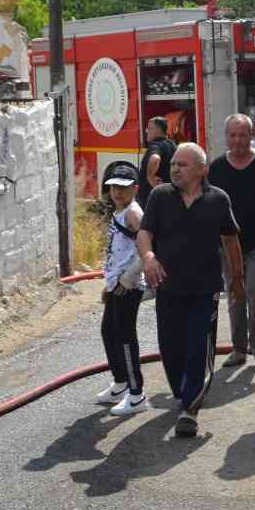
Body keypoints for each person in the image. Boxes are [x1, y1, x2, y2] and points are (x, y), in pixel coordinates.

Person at [137, 143, 246, 438]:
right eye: (173, 164)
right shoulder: (160, 196)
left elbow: (231, 241)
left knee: (199, 347)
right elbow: (145, 232)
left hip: (204, 289)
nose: (174, 169)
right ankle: (182, 392)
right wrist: (149, 257)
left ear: (202, 170)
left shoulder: (218, 199)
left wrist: (237, 280)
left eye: (182, 165)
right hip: (168, 288)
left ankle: (190, 409)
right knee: (171, 348)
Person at [211, 115, 255, 369]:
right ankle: (238, 348)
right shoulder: (217, 167)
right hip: (227, 244)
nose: (238, 140)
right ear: (226, 137)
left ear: (251, 136)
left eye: (243, 135)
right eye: (232, 135)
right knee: (235, 294)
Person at [93, 161, 150, 416]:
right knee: (109, 331)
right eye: (114, 186)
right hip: (116, 284)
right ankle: (120, 383)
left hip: (129, 286)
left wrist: (128, 278)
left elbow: (148, 247)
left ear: (135, 189)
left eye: (124, 187)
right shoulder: (119, 211)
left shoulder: (132, 214)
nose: (117, 192)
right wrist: (110, 283)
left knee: (125, 337)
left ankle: (136, 394)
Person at [136, 117, 177, 206]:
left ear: (158, 130)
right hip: (168, 197)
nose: (146, 131)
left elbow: (155, 158)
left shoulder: (155, 145)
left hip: (152, 200)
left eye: (149, 128)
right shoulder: (172, 145)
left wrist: (150, 177)